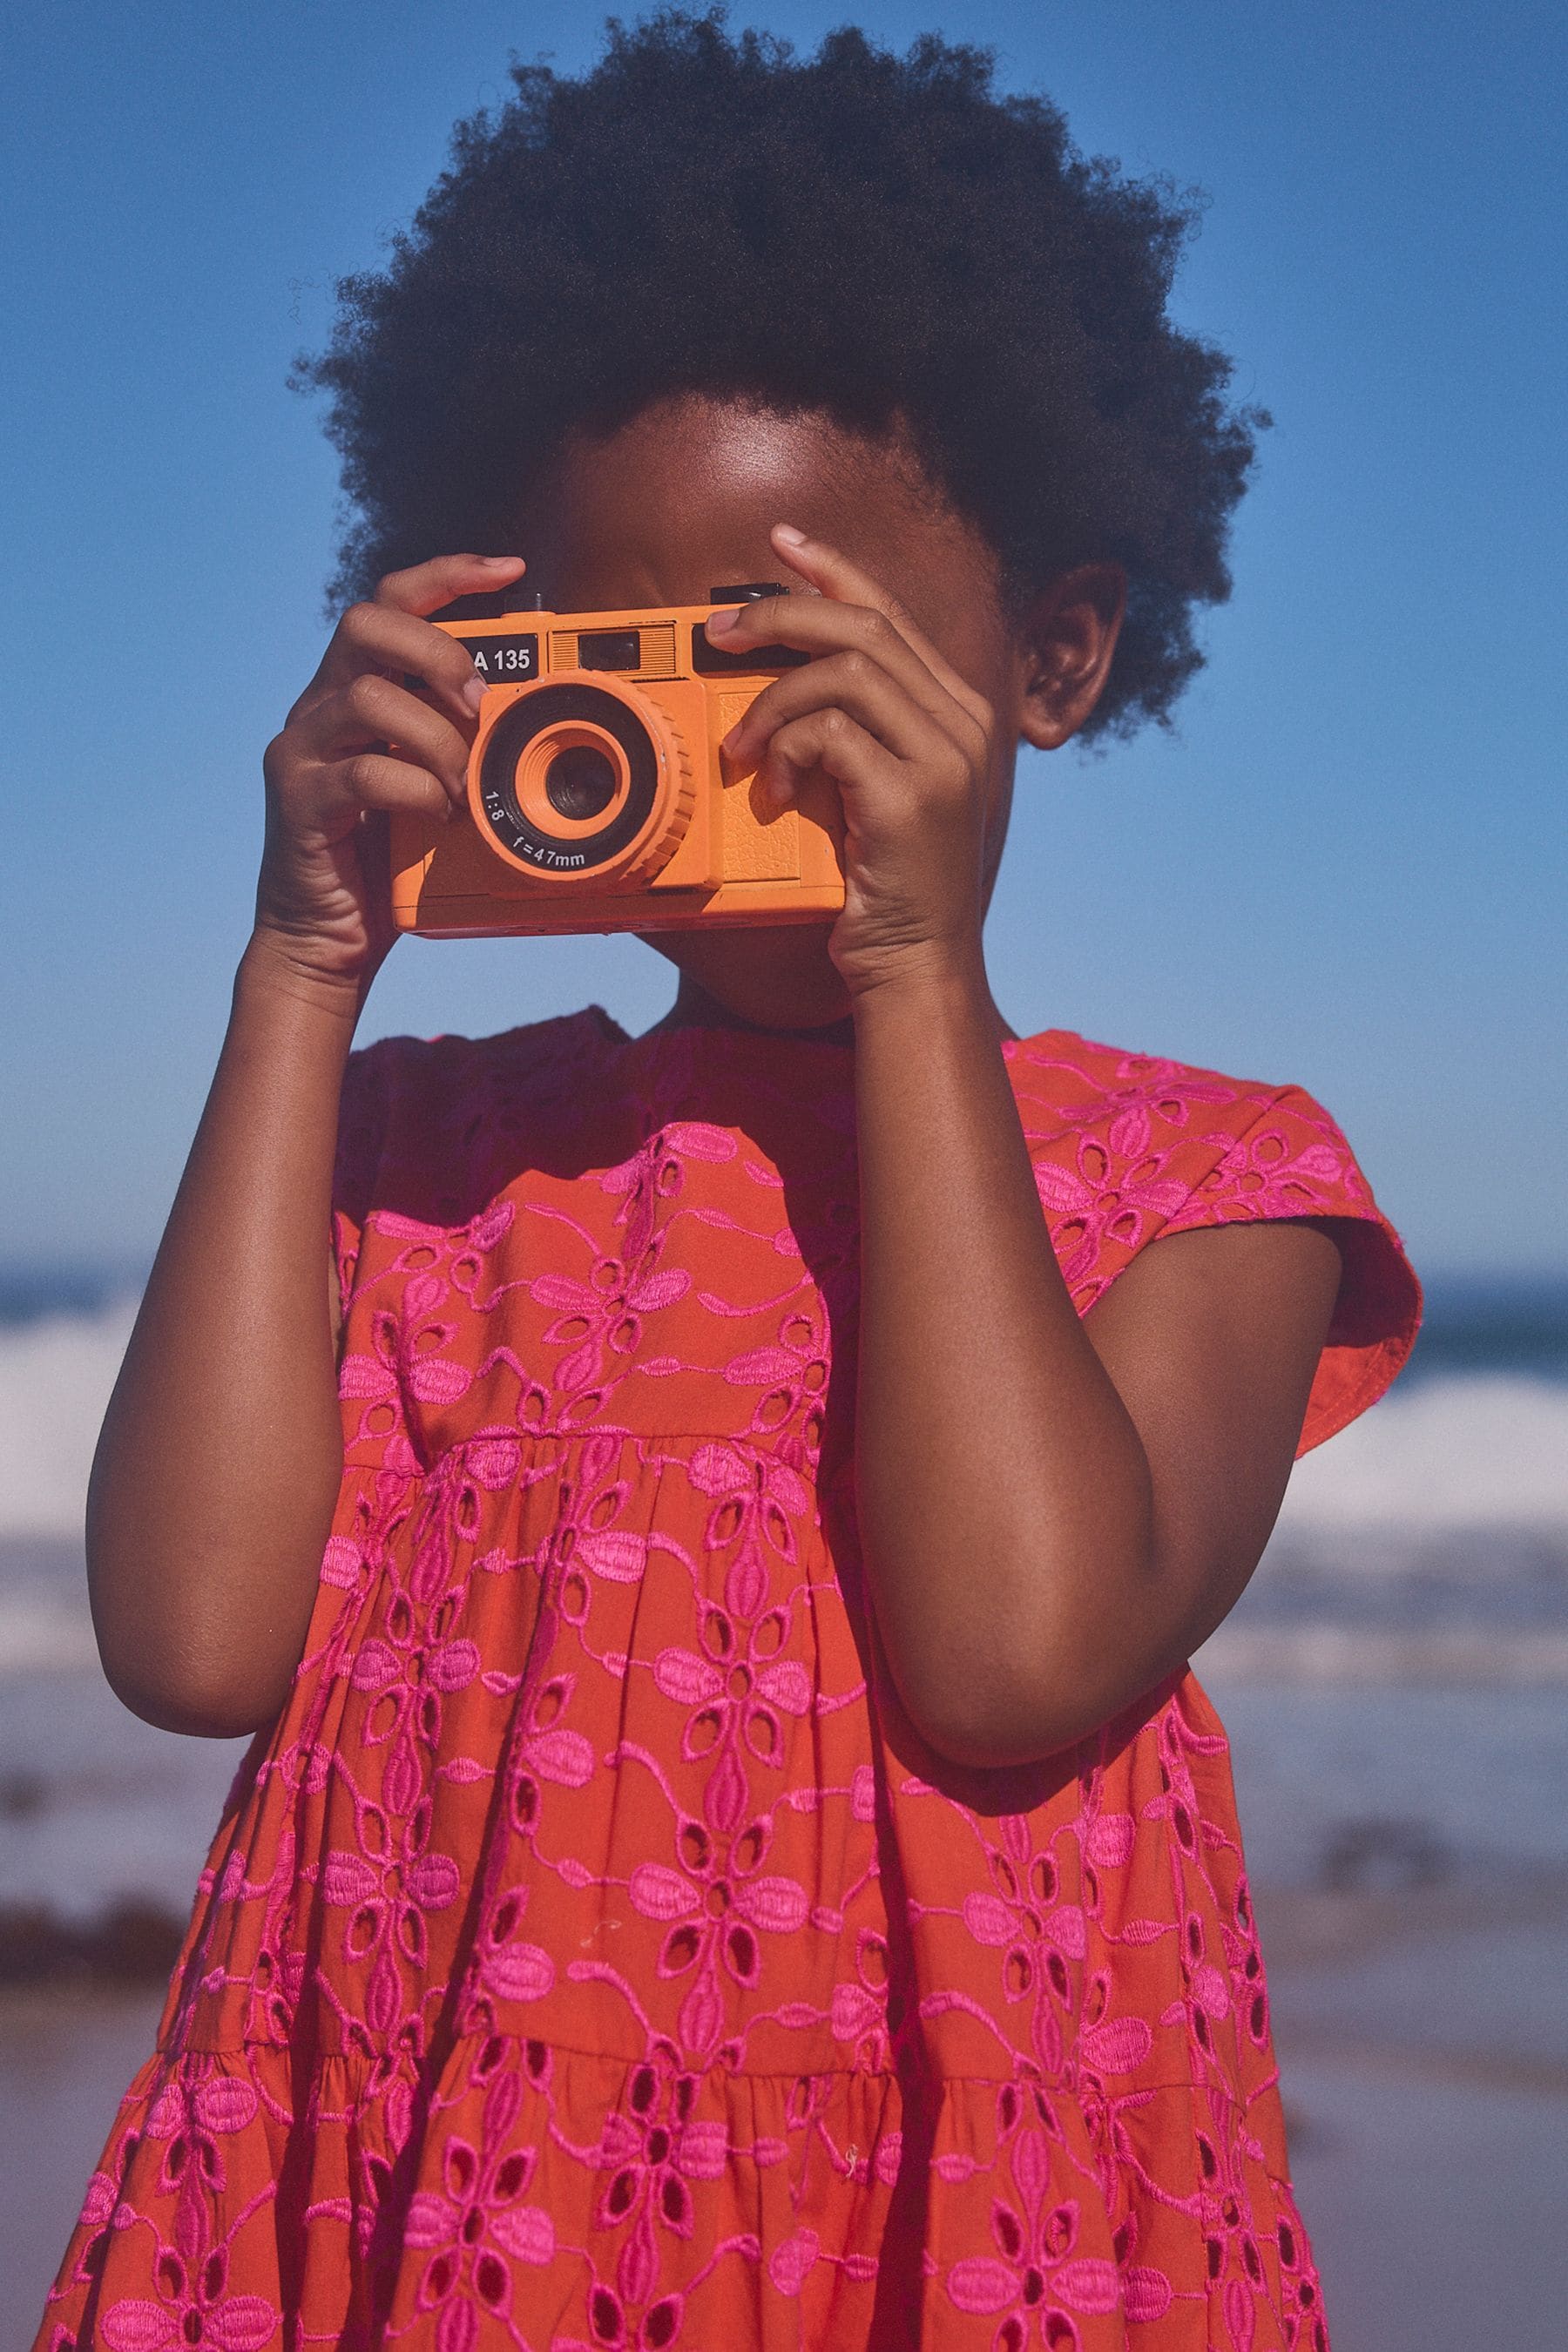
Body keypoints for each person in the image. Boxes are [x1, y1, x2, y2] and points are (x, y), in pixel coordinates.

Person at [36, 15, 1418, 2349]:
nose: (698, 739)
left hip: (932, 2231)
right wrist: (301, 964)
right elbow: (187, 1641)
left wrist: (913, 963)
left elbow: (1007, 1657)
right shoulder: (431, 1153)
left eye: (781, 656)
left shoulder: (1212, 1184)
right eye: (621, 657)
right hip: (430, 2193)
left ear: (1051, 657)